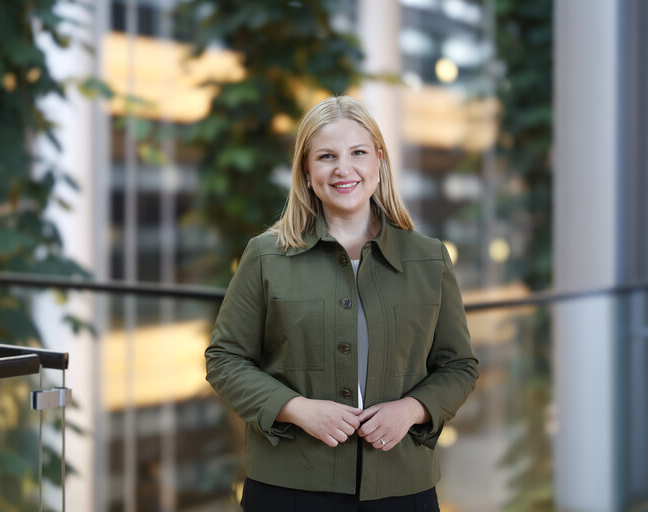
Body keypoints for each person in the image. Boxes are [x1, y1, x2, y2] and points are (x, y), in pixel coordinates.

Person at [205, 96, 478, 511]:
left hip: (403, 488)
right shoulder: (265, 256)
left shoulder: (429, 258)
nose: (343, 169)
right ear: (307, 171)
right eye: (327, 156)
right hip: (288, 488)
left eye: (358, 153)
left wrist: (412, 409)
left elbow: (459, 366)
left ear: (379, 161)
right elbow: (225, 359)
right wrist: (296, 409)